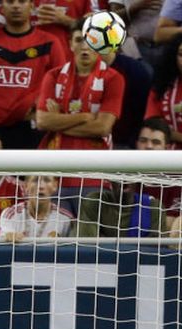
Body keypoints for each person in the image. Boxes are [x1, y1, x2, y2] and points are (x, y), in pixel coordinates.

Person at [35, 18, 125, 217]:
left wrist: (59, 119)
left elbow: (102, 128)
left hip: (94, 175)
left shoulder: (113, 79)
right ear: (70, 43)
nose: (85, 47)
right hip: (53, 176)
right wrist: (85, 117)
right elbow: (42, 121)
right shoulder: (53, 76)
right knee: (54, 241)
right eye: (79, 40)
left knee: (88, 243)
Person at [0, 0, 65, 149]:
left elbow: (61, 88)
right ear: (1, 7)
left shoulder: (50, 43)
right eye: (10, 1)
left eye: (22, 1)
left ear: (32, 6)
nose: (16, 6)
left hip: (35, 129)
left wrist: (41, 103)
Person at [0, 175, 73, 241]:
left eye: (47, 180)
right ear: (26, 186)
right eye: (35, 180)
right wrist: (9, 237)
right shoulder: (11, 215)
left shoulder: (65, 218)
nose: (41, 186)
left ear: (55, 185)